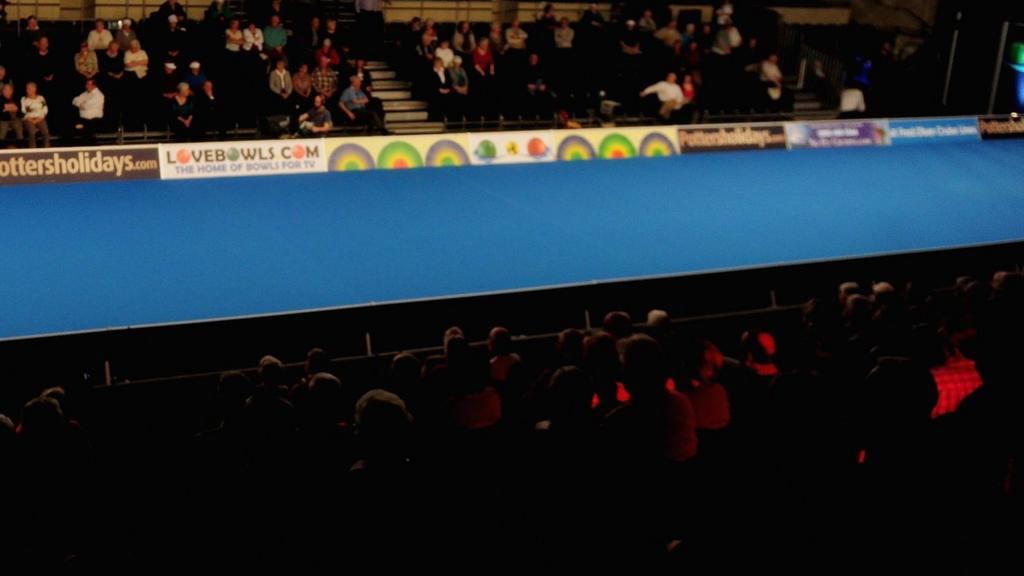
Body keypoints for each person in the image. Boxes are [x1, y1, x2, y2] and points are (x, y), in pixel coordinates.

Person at [71, 78, 105, 144]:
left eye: (88, 84)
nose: (86, 86)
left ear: (94, 85)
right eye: (86, 84)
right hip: (83, 120)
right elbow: (74, 101)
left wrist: (80, 103)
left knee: (87, 136)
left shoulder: (99, 95)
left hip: (94, 121)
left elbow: (86, 106)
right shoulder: (85, 93)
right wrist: (81, 104)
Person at [20, 81, 49, 147]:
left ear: (35, 89)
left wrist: (40, 118)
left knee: (45, 132)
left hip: (40, 118)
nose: (28, 90)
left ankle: (47, 148)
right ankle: (32, 149)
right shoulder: (24, 99)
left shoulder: (41, 98)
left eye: (30, 88)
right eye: (27, 88)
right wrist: (30, 119)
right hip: (29, 119)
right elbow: (23, 111)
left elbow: (45, 109)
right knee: (32, 132)